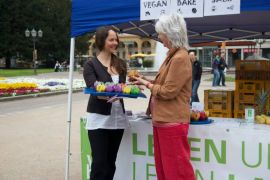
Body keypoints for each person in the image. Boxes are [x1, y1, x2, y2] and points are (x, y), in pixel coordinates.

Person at [133, 14, 195, 180]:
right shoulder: (172, 56)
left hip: (171, 121)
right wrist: (144, 80)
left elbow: (168, 91)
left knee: (176, 170)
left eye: (160, 33)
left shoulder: (180, 57)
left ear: (170, 33)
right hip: (163, 120)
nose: (159, 37)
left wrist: (147, 85)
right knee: (164, 169)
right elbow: (164, 83)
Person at [83, 26, 128, 180]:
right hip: (99, 120)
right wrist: (106, 94)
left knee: (110, 162)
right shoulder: (91, 65)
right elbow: (92, 86)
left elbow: (123, 87)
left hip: (117, 120)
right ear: (102, 41)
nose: (115, 43)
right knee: (99, 163)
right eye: (111, 40)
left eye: (116, 39)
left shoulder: (121, 64)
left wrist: (130, 88)